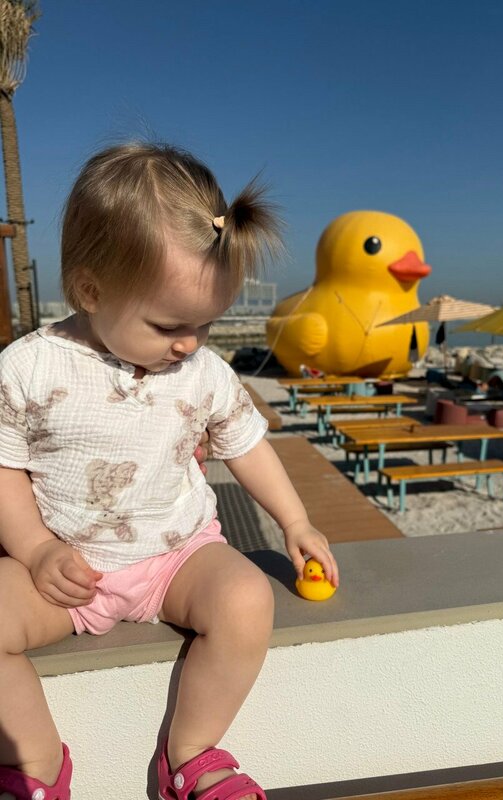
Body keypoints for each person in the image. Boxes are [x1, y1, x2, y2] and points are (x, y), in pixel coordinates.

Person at [0, 143, 340, 800]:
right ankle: (34, 760)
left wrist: (295, 521)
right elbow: (4, 469)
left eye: (205, 325)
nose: (188, 344)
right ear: (91, 290)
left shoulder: (202, 372)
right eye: (168, 325)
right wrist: (36, 549)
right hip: (64, 571)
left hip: (177, 557)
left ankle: (192, 753)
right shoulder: (30, 368)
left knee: (247, 600)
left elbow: (246, 446)